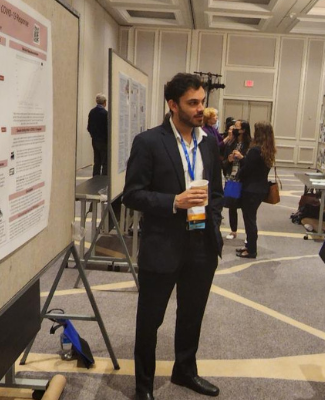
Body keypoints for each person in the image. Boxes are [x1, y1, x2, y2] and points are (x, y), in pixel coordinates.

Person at [123, 73, 224, 400]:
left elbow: (218, 192)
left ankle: (185, 371)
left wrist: (214, 221)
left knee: (192, 313)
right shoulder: (149, 142)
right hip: (162, 244)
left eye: (202, 102)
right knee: (150, 320)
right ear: (172, 105)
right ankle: (143, 388)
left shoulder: (208, 143)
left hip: (201, 244)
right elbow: (132, 194)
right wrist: (174, 202)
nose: (200, 109)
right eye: (192, 103)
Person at [233, 121, 276, 258]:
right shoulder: (268, 149)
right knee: (251, 219)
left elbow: (246, 169)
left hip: (250, 189)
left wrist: (240, 162)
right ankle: (249, 246)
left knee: (250, 220)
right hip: (260, 188)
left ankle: (251, 250)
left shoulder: (256, 150)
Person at [221, 120, 250, 240]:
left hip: (244, 179)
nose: (234, 129)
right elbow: (223, 163)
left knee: (246, 207)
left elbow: (251, 164)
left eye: (237, 127)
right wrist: (229, 160)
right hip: (231, 179)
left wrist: (242, 157)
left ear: (243, 130)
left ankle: (249, 235)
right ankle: (233, 231)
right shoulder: (230, 143)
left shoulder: (249, 145)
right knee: (232, 206)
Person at [87, 93, 108, 176]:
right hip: (104, 140)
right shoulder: (105, 113)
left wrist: (93, 135)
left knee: (97, 160)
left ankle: (95, 177)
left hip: (95, 140)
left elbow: (89, 127)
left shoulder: (92, 112)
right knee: (105, 161)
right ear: (105, 102)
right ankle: (103, 180)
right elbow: (107, 128)